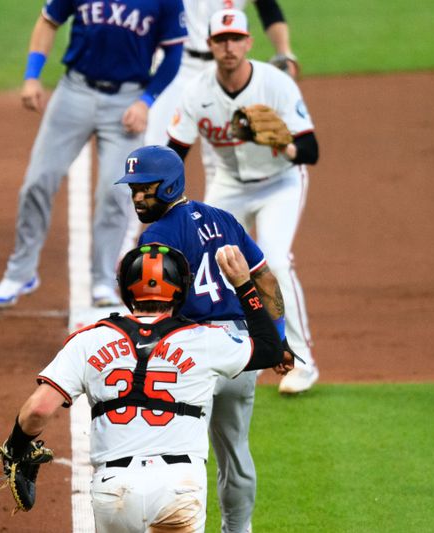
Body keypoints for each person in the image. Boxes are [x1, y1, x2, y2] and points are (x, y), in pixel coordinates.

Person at [0, 242, 285, 532]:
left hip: (114, 490)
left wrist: (15, 447)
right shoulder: (205, 340)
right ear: (181, 289)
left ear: (125, 289)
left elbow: (38, 409)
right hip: (180, 488)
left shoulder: (89, 341)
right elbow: (271, 349)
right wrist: (244, 284)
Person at [116, 145, 295, 533]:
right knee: (235, 454)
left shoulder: (158, 236)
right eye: (133, 189)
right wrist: (277, 340)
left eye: (145, 188)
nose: (137, 197)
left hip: (193, 357)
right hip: (241, 351)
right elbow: (265, 278)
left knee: (181, 458)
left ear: (169, 186)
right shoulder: (225, 219)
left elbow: (144, 302)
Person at [0, 0, 187, 309]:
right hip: (73, 93)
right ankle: (20, 272)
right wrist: (31, 76)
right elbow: (48, 21)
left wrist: (146, 101)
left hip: (127, 100)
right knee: (37, 181)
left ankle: (103, 279)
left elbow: (174, 53)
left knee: (116, 192)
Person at [166, 8, 320, 395]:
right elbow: (176, 151)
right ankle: (220, 353)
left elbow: (310, 149)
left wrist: (282, 144)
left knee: (276, 261)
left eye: (236, 39)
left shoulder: (276, 84)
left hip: (280, 184)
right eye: (221, 40)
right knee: (210, 261)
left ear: (249, 43)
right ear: (211, 45)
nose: (229, 47)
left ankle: (300, 361)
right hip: (229, 185)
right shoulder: (197, 92)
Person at [145, 0, 299, 183]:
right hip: (176, 61)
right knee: (155, 152)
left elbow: (268, 7)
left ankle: (223, 210)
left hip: (224, 66)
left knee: (226, 158)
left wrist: (284, 52)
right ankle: (147, 209)